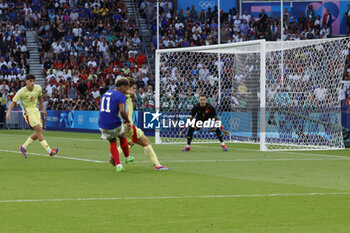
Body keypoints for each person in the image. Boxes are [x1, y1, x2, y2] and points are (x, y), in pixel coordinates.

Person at [112, 78, 169, 170]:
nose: (135, 90)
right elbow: (118, 91)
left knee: (130, 143)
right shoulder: (124, 95)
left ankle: (114, 155)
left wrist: (132, 94)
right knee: (144, 142)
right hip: (128, 124)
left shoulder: (124, 95)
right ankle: (157, 165)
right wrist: (132, 93)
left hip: (126, 124)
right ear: (127, 88)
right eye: (133, 88)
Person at [5, 74, 58, 158]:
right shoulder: (21, 91)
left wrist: (43, 109)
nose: (32, 83)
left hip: (36, 110)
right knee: (39, 130)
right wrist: (8, 112)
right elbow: (13, 102)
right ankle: (50, 151)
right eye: (30, 81)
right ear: (26, 82)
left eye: (33, 81)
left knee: (38, 133)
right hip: (28, 112)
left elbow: (40, 98)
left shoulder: (38, 88)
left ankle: (23, 147)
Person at [98, 78, 132, 172]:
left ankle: (118, 165)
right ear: (122, 87)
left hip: (101, 123)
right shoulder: (121, 95)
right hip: (113, 123)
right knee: (122, 136)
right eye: (126, 88)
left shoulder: (106, 92)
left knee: (112, 141)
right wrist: (128, 122)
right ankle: (127, 157)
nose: (127, 91)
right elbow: (122, 111)